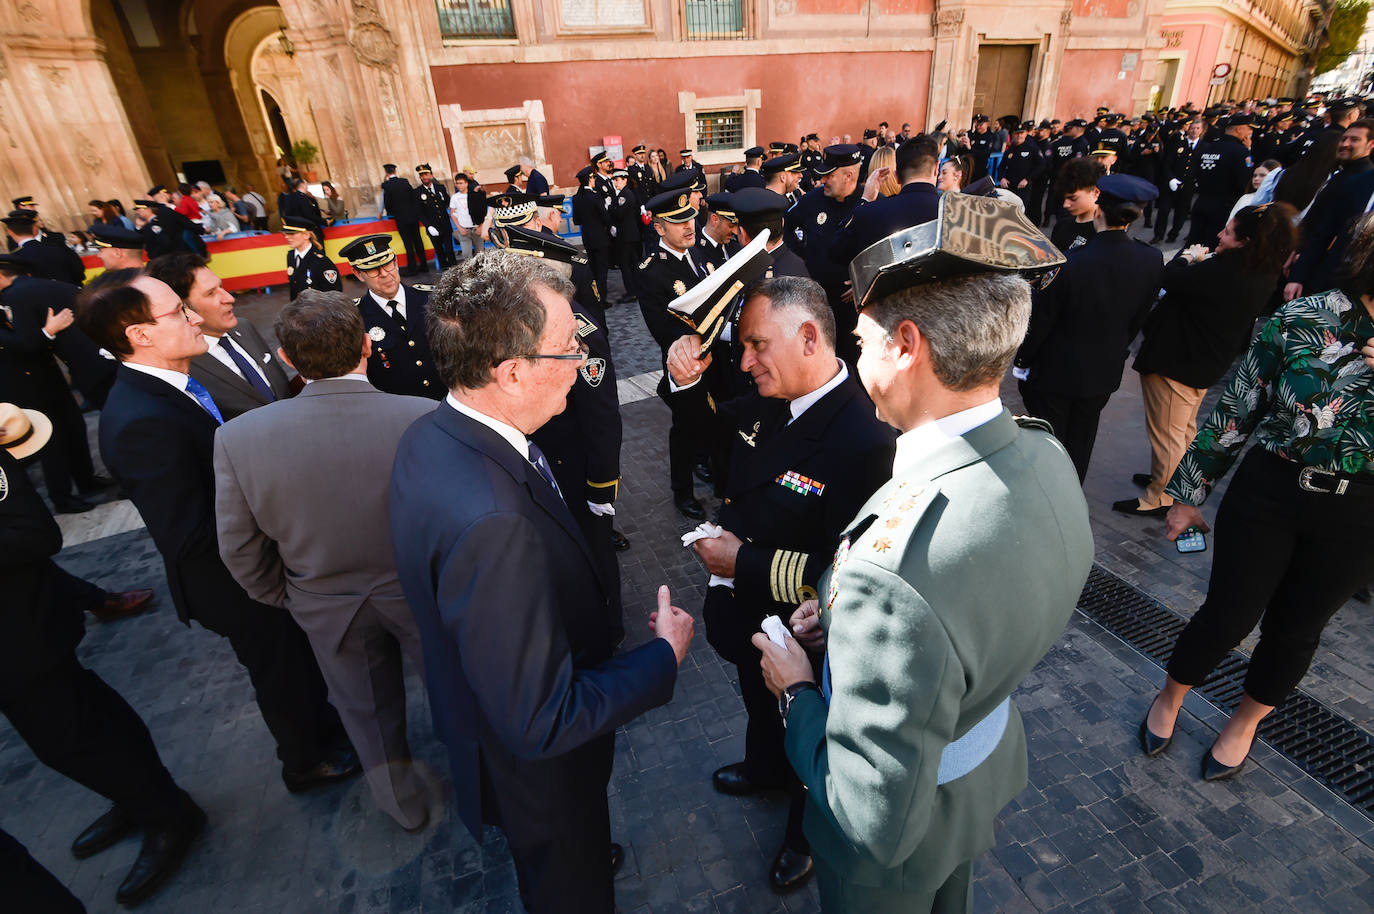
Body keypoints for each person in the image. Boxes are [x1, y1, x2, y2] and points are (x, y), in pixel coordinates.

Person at [753, 194, 1090, 914]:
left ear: (907, 345)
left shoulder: (895, 573)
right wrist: (840, 615)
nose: (854, 354)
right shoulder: (1045, 451)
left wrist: (795, 691)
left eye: (864, 340)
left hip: (891, 856)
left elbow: (871, 812)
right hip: (969, 786)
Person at [389, 251, 695, 914]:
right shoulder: (493, 521)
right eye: (566, 351)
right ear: (512, 371)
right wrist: (661, 657)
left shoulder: (431, 434)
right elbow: (541, 720)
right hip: (543, 782)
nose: (584, 366)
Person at [77, 270, 362, 795]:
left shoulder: (174, 385)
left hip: (253, 566)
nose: (192, 318)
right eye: (177, 311)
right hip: (233, 582)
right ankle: (305, 761)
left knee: (295, 663)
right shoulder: (141, 419)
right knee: (281, 670)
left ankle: (324, 732)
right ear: (139, 335)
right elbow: (186, 533)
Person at [665, 276, 895, 894]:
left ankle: (807, 829)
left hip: (806, 626)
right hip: (749, 614)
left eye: (756, 346)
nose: (745, 362)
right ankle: (766, 765)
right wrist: (685, 381)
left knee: (808, 719)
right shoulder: (777, 392)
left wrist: (742, 562)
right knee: (757, 701)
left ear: (810, 337)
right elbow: (719, 436)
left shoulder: (867, 437)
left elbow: (846, 564)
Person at [1140, 211, 1374, 783]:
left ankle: (1243, 724)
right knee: (1228, 612)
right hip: (1271, 489)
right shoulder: (1305, 317)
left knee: (1298, 629)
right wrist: (1188, 493)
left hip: (1360, 512)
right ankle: (1170, 698)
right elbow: (1237, 407)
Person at [214, 290, 434, 831]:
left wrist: (290, 595)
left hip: (325, 602)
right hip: (421, 592)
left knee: (366, 714)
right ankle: (488, 778)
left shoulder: (238, 438)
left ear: (287, 359)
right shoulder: (425, 417)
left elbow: (239, 547)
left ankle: (403, 807)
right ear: (366, 345)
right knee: (457, 690)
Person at [0, 402, 205, 908]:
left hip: (21, 639)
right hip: (19, 642)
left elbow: (35, 534)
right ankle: (140, 800)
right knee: (81, 727)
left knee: (73, 737)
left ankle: (167, 815)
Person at [1116, 203, 1297, 517]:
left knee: (1168, 433)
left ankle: (1161, 497)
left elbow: (1171, 278)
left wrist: (1187, 257)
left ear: (1247, 241)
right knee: (1183, 429)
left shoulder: (1226, 270)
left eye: (1227, 232)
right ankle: (1173, 479)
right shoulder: (1260, 269)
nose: (1219, 235)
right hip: (1203, 361)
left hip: (1180, 361)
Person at [1015, 174, 1164, 481]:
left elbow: (1043, 320)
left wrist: (1022, 360)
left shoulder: (1070, 263)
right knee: (1082, 442)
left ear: (1098, 211)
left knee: (1048, 443)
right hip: (1103, 370)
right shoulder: (1151, 258)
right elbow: (1138, 318)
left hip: (1057, 371)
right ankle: (1073, 496)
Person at [0, 256, 113, 513]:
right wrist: (47, 332)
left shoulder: (12, 296)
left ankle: (86, 480)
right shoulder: (11, 297)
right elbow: (21, 342)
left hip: (45, 375)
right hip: (17, 383)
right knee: (50, 438)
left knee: (74, 426)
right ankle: (61, 496)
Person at [145, 253, 294, 421]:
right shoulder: (178, 364)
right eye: (210, 293)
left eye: (221, 287)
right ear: (182, 307)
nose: (229, 298)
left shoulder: (243, 327)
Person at [637, 189, 712, 519]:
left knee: (709, 420)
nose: (688, 226)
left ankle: (704, 461)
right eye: (678, 222)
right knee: (684, 428)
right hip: (682, 363)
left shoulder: (699, 254)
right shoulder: (652, 270)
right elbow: (663, 330)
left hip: (712, 359)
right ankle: (682, 491)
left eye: (690, 218)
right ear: (658, 229)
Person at [339, 233, 445, 399]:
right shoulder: (355, 318)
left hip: (444, 398)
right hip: (398, 410)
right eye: (373, 270)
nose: (384, 274)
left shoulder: (431, 299)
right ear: (359, 274)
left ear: (396, 262)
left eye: (388, 265)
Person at [786, 144, 865, 361]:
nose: (823, 181)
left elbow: (886, 250)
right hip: (816, 302)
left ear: (849, 175)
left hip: (853, 310)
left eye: (829, 176)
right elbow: (786, 225)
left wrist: (865, 279)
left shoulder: (871, 202)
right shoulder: (813, 200)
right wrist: (798, 256)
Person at [832, 136, 941, 263]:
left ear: (896, 177)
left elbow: (836, 250)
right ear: (936, 168)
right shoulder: (956, 212)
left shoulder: (871, 213)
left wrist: (865, 200)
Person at [1186, 114, 1255, 247]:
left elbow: (1196, 173)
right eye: (1249, 128)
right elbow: (1245, 182)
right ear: (1239, 129)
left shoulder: (1208, 147)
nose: (1250, 132)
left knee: (1193, 244)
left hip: (1201, 201)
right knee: (1211, 246)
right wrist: (1248, 150)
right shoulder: (1241, 152)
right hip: (1223, 207)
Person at [3, 210, 85, 286]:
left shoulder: (16, 257)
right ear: (34, 227)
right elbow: (78, 272)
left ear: (10, 232)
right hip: (71, 292)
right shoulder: (58, 249)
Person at [1048, 157, 1103, 253]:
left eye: (1073, 198)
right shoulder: (1061, 225)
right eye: (1064, 198)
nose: (1066, 205)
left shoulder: (1102, 234)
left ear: (1096, 192)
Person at [280, 215, 342, 300]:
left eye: (292, 233)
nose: (287, 237)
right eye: (286, 233)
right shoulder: (291, 256)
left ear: (306, 235)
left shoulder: (322, 262)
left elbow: (334, 294)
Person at [381, 164, 426, 276]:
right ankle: (424, 265)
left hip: (401, 218)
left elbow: (388, 204)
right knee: (418, 241)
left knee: (408, 243)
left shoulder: (387, 185)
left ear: (386, 173)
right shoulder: (404, 182)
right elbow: (413, 197)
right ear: (395, 171)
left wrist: (391, 212)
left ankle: (412, 268)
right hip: (413, 217)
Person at [414, 163, 455, 271]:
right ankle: (445, 272)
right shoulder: (418, 192)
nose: (424, 177)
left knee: (450, 250)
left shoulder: (440, 187)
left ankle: (455, 271)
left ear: (431, 175)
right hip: (433, 227)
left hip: (445, 225)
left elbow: (447, 202)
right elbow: (419, 212)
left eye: (426, 174)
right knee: (439, 251)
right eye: (422, 175)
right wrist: (428, 226)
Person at [449, 171, 481, 261]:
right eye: (457, 183)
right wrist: (460, 228)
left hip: (476, 228)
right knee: (467, 255)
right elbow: (452, 214)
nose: (459, 185)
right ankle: (470, 274)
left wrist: (481, 227)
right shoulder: (455, 197)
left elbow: (482, 212)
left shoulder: (474, 195)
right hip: (464, 229)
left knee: (480, 254)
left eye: (461, 183)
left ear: (466, 183)